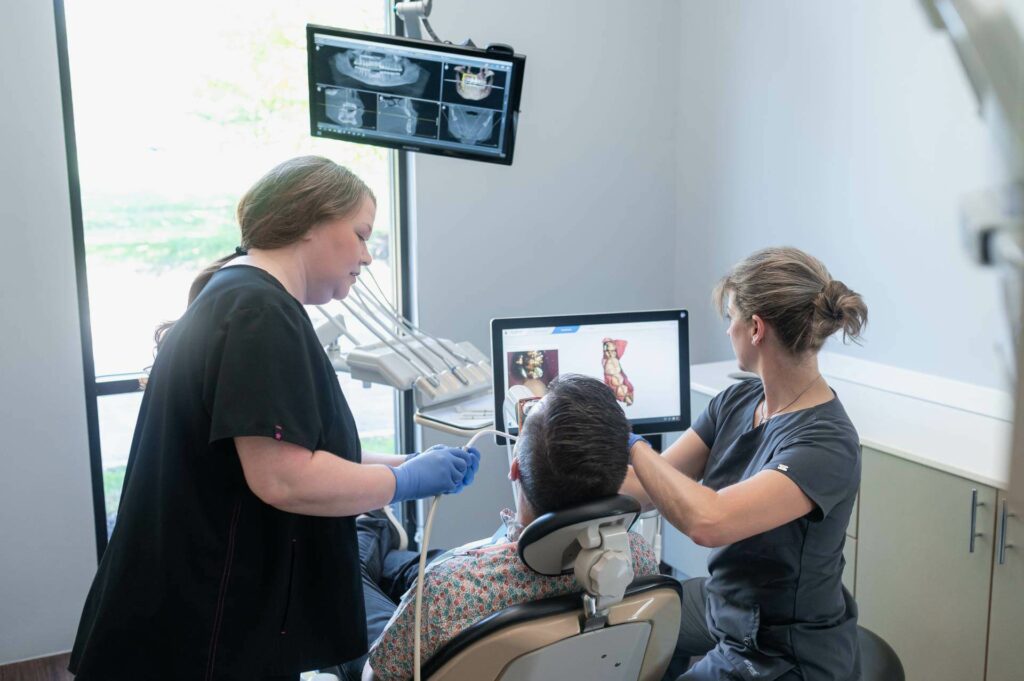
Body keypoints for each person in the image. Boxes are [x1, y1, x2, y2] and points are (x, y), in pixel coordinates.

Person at [68, 156, 480, 681]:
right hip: (199, 630)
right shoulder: (259, 312)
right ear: (311, 221)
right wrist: (401, 482)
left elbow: (291, 450)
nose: (368, 257)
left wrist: (408, 461)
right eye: (360, 235)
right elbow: (284, 478)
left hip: (189, 610)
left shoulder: (245, 299)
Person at [622, 247, 868, 681]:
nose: (728, 328)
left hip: (783, 650)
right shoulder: (738, 400)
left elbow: (708, 521)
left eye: (730, 316)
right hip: (727, 604)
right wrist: (573, 442)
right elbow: (645, 489)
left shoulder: (826, 442)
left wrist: (633, 444)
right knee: (619, 629)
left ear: (755, 328)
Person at [340, 374, 660, 681]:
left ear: (515, 468)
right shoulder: (638, 560)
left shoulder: (447, 592)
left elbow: (375, 677)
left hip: (431, 614)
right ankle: (374, 529)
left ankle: (370, 528)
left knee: (346, 569)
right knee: (396, 565)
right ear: (620, 475)